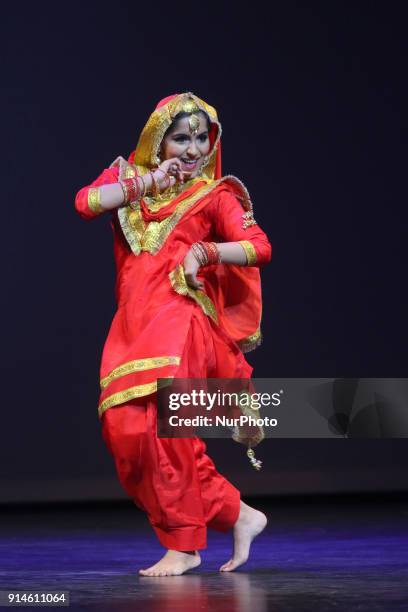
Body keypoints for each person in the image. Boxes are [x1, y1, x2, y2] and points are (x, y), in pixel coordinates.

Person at [74, 92, 272, 577]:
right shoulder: (129, 182)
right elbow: (84, 203)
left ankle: (184, 544)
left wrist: (206, 253)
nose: (192, 149)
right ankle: (235, 513)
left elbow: (259, 246)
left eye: (201, 138)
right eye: (180, 138)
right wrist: (147, 183)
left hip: (182, 320)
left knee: (166, 428)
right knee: (125, 432)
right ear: (157, 143)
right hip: (133, 325)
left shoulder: (215, 195)